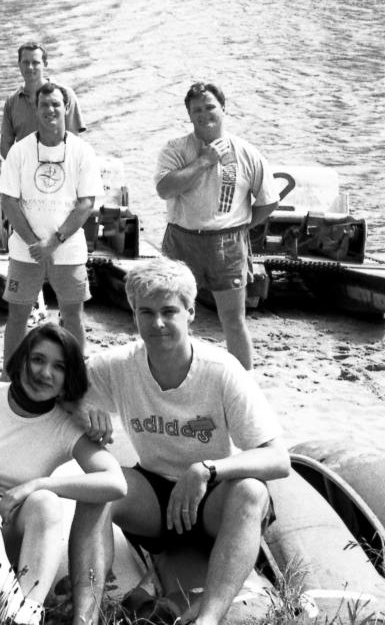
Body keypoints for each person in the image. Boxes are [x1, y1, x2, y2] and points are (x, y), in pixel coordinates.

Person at [72, 259, 289, 625]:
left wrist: (206, 469)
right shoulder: (118, 366)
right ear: (134, 315)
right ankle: (85, 617)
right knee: (98, 490)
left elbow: (278, 459)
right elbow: (55, 388)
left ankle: (208, 618)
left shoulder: (222, 371)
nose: (157, 323)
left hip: (212, 500)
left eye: (169, 311)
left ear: (190, 312)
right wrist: (80, 406)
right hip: (154, 500)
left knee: (253, 491)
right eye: (147, 312)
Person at [0, 324, 125, 625]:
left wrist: (37, 485)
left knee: (46, 501)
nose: (45, 373)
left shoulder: (65, 426)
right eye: (38, 360)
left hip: (12, 520)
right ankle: (22, 617)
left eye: (59, 366)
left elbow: (115, 482)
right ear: (22, 360)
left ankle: (22, 616)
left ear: (68, 378)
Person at [153, 82, 277, 369]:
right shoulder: (176, 149)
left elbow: (268, 200)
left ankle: (243, 385)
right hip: (182, 239)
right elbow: (164, 189)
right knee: (172, 315)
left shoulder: (246, 152)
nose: (204, 113)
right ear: (189, 114)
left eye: (210, 106)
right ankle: (174, 373)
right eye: (196, 109)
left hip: (228, 244)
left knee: (233, 321)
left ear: (223, 108)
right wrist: (204, 161)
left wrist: (243, 227)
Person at [0, 84, 101, 358]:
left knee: (73, 316)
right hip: (25, 251)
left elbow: (86, 203)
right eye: (44, 105)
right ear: (36, 108)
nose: (50, 110)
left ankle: (76, 374)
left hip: (68, 251)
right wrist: (35, 245)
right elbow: (9, 201)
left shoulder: (82, 151)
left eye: (56, 104)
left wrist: (52, 243)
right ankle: (9, 376)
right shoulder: (19, 151)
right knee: (18, 316)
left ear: (66, 107)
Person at [0, 43, 86, 162]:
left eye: (35, 62)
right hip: (26, 170)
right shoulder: (12, 101)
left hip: (60, 168)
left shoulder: (65, 95)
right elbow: (6, 147)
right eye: (25, 62)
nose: (30, 67)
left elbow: (74, 141)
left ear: (45, 64)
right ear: (19, 64)